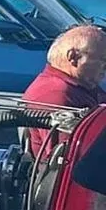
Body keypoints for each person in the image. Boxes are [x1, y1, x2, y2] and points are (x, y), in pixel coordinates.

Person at [22, 25, 106, 160]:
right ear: (73, 57)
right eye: (103, 60)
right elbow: (67, 159)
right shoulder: (55, 94)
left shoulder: (82, 86)